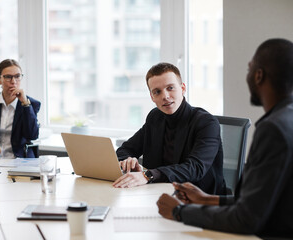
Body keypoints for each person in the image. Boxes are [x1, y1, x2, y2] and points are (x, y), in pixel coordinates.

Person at [156, 38, 293, 238]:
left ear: (258, 75)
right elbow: (260, 201)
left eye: (249, 69)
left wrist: (179, 212)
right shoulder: (286, 118)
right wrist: (207, 199)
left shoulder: (273, 129)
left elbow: (246, 218)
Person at [113, 62, 226, 195]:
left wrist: (148, 175)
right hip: (157, 194)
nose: (165, 96)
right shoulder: (155, 117)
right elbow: (125, 150)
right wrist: (128, 162)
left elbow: (195, 168)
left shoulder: (207, 123)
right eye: (157, 92)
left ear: (183, 88)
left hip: (199, 200)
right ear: (152, 97)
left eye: (170, 88)